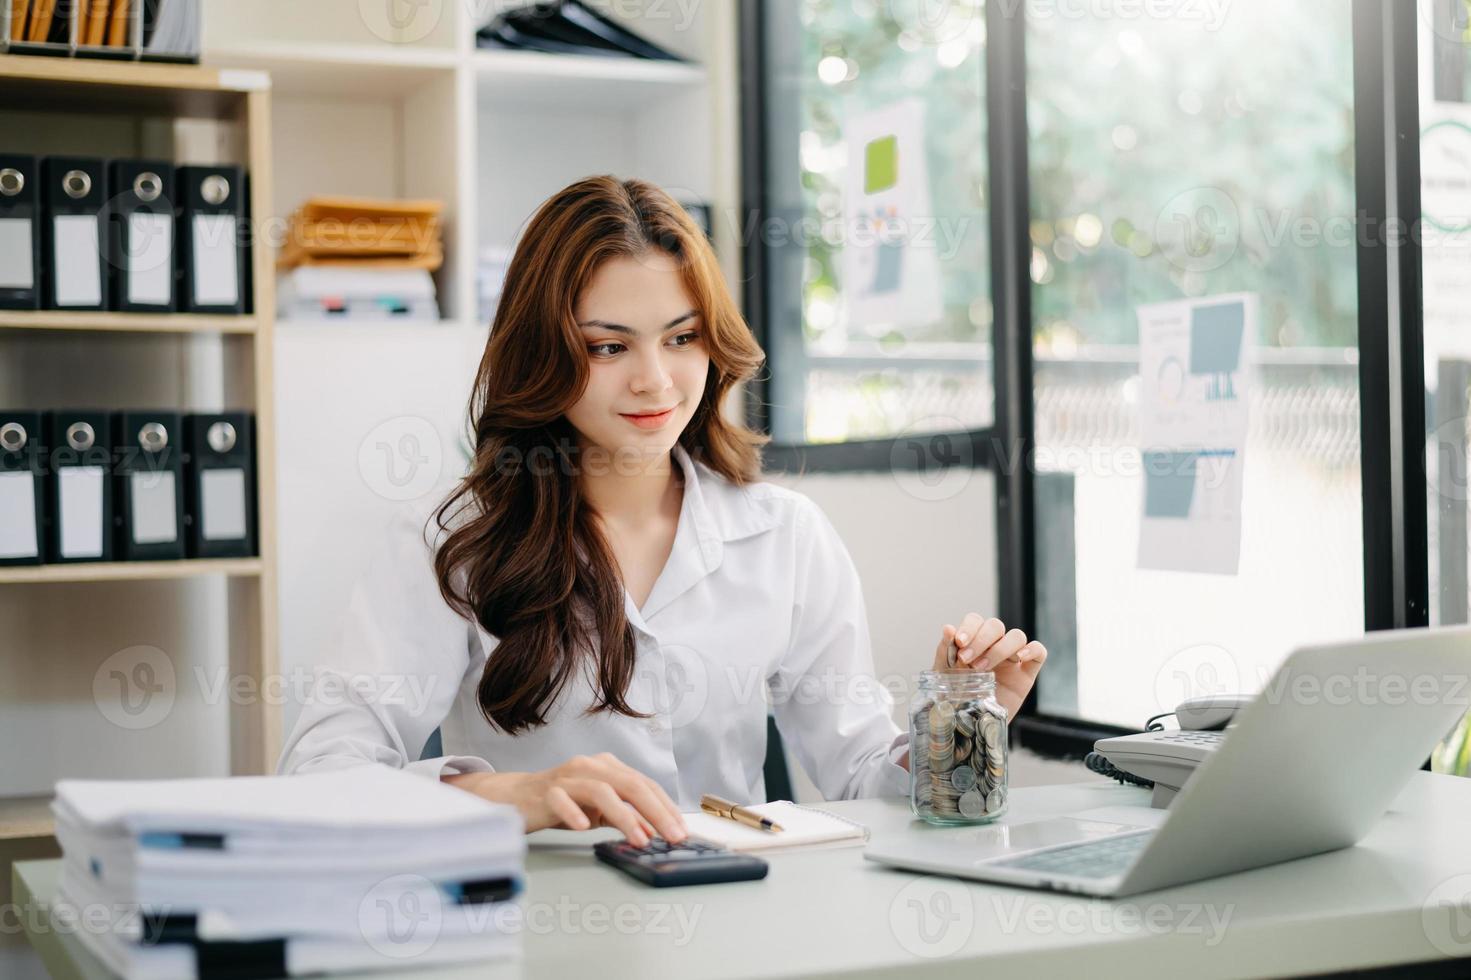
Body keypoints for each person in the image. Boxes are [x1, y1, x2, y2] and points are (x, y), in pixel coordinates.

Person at [278, 176, 1047, 848]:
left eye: (680, 338)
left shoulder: (783, 534)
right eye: (608, 348)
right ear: (541, 353)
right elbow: (321, 776)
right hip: (544, 925)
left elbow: (861, 780)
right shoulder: (451, 540)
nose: (655, 382)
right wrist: (513, 796)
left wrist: (960, 720)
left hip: (734, 922)